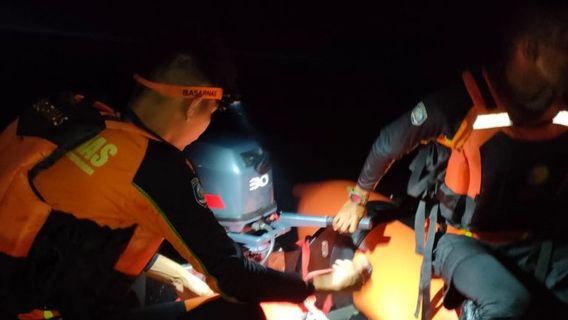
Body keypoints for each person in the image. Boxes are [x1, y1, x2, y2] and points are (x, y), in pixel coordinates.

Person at [0, 45, 370, 320]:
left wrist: (180, 273)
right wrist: (323, 284)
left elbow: (72, 237)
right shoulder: (157, 166)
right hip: (43, 312)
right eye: (215, 109)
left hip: (16, 294)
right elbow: (233, 277)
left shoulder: (75, 116)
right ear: (195, 106)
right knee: (238, 313)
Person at [333, 2, 568, 319]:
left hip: (531, 242)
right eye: (563, 45)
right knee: (511, 303)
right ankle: (472, 309)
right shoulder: (458, 106)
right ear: (529, 51)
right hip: (460, 241)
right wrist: (357, 197)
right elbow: (389, 142)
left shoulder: (561, 110)